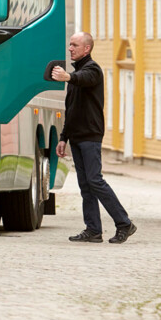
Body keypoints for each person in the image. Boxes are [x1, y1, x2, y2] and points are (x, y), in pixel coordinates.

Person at [52, 32, 137, 245]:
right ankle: (93, 230)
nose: (70, 48)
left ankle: (124, 223)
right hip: (76, 137)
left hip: (90, 136)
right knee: (85, 185)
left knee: (95, 181)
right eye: (70, 44)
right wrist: (63, 138)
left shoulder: (93, 70)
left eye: (74, 45)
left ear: (87, 49)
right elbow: (71, 110)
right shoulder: (76, 73)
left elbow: (84, 79)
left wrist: (68, 77)